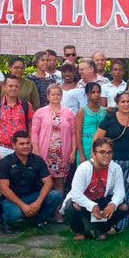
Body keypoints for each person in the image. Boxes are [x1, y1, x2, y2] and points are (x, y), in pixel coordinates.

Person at [95, 91, 129, 232]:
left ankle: (120, 225)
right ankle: (103, 221)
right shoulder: (109, 119)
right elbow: (97, 140)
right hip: (111, 162)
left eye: (128, 101)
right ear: (117, 104)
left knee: (127, 193)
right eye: (123, 102)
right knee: (109, 191)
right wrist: (96, 159)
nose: (126, 104)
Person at [61, 137, 129, 241]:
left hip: (101, 201)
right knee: (73, 206)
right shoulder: (84, 168)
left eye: (109, 152)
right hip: (85, 203)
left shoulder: (116, 168)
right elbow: (76, 193)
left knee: (124, 207)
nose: (106, 156)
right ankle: (78, 232)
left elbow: (120, 192)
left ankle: (102, 229)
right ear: (94, 154)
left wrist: (113, 204)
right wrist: (92, 206)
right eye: (102, 152)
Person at [0, 131, 63, 233]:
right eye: (22, 144)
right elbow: (4, 188)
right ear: (13, 145)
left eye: (28, 143)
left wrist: (38, 202)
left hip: (33, 196)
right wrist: (23, 206)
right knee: (14, 214)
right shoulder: (5, 162)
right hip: (13, 199)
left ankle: (39, 220)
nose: (26, 146)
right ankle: (7, 222)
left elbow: (48, 182)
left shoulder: (37, 160)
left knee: (56, 195)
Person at [31, 85, 76, 222]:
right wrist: (36, 151)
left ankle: (58, 213)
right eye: (53, 94)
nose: (55, 97)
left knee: (59, 183)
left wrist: (73, 150)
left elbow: (74, 134)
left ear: (61, 96)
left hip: (62, 154)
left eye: (58, 94)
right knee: (44, 182)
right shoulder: (40, 112)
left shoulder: (68, 113)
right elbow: (34, 133)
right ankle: (42, 212)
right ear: (48, 96)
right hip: (45, 153)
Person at [0, 75, 34, 160]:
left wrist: (31, 144)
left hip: (22, 147)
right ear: (4, 87)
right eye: (10, 86)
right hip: (2, 148)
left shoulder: (26, 105)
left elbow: (31, 126)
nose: (13, 88)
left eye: (16, 86)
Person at [74, 83, 105, 164]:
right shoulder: (82, 111)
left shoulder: (104, 111)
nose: (96, 95)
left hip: (101, 144)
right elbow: (78, 133)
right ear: (87, 94)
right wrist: (81, 154)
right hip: (85, 144)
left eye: (98, 92)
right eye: (93, 92)